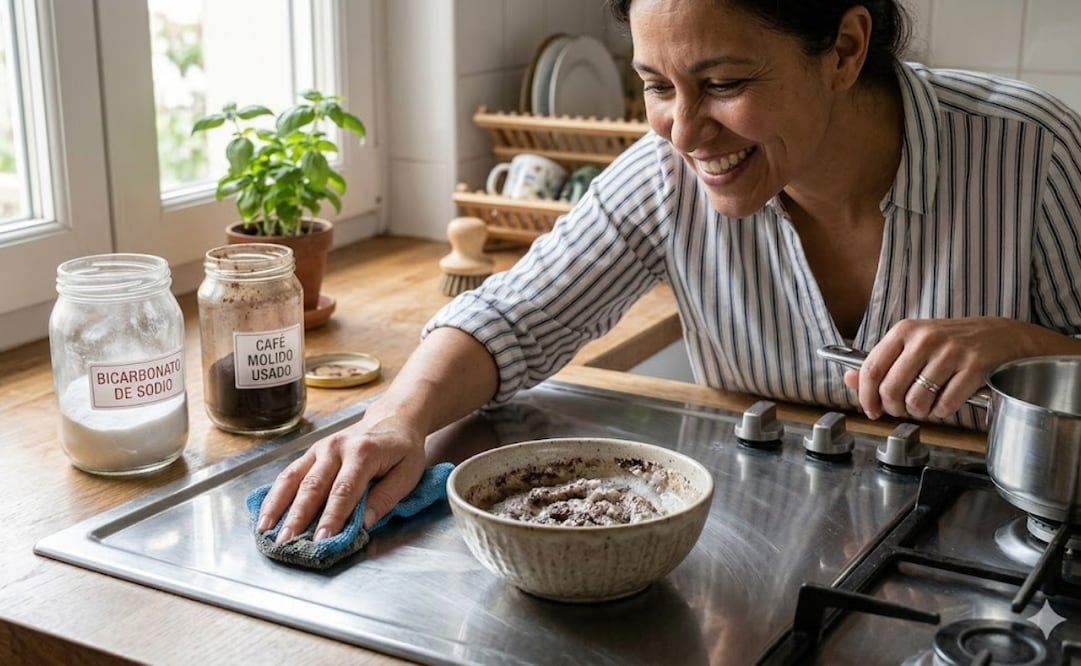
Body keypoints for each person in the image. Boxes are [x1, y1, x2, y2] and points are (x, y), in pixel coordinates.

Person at [257, 0, 1081, 545]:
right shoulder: (665, 172)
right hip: (760, 550)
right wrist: (396, 420)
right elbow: (512, 316)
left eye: (723, 83)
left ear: (844, 48)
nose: (684, 131)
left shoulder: (1034, 152)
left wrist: (1027, 346)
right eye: (655, 85)